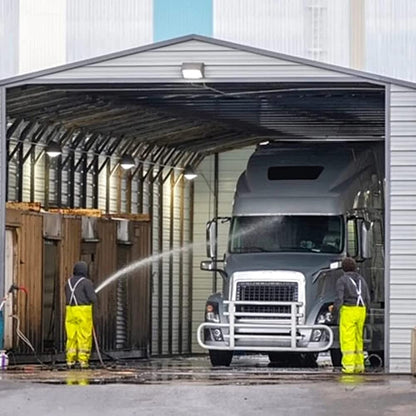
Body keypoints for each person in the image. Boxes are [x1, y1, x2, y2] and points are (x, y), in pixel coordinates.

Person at [329, 257, 370, 374]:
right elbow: (367, 297)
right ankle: (359, 365)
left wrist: (334, 312)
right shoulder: (361, 279)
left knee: (347, 339)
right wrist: (366, 311)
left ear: (343, 268)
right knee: (358, 339)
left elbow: (339, 299)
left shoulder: (342, 280)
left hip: (348, 310)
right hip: (361, 310)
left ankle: (348, 367)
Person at [65, 261, 97, 369]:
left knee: (71, 337)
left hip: (70, 311)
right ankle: (83, 361)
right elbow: (93, 299)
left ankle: (70, 360)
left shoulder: (68, 282)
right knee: (84, 336)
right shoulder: (86, 282)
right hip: (83, 311)